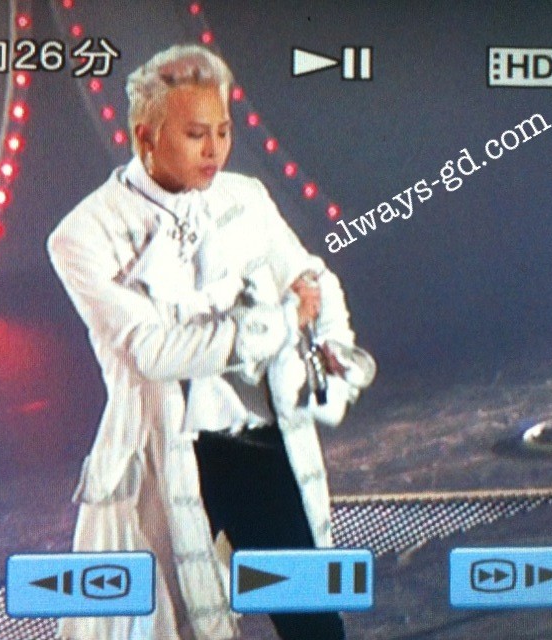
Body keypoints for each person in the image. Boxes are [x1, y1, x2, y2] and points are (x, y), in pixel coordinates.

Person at [47, 43, 374, 640]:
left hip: (256, 444)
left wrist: (332, 342)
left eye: (223, 131)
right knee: (178, 625)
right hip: (161, 453)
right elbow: (152, 351)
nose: (215, 149)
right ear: (145, 136)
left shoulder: (243, 196)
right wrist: (275, 324)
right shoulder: (83, 233)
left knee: (313, 622)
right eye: (197, 134)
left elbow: (310, 277)